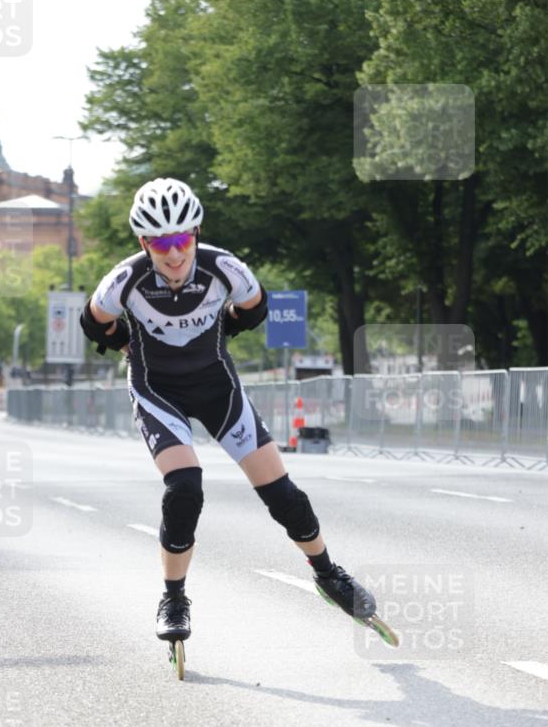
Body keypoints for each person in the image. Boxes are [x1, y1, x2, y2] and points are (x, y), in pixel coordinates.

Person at [80, 178, 376, 641]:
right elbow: (93, 322)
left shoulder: (226, 269)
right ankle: (174, 598)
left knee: (281, 495)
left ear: (195, 232)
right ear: (144, 243)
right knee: (184, 489)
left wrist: (220, 335)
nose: (174, 254)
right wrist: (127, 346)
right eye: (161, 244)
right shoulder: (125, 279)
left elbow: (253, 310)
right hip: (158, 392)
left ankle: (327, 573)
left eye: (182, 240)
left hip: (218, 388)